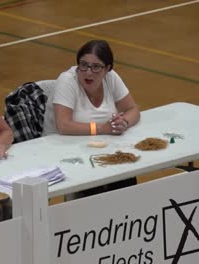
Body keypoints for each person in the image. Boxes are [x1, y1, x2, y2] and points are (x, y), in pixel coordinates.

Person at [43, 39, 141, 196]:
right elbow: (64, 125)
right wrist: (103, 128)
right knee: (95, 184)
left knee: (126, 174)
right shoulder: (67, 81)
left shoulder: (111, 78)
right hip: (62, 150)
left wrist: (124, 122)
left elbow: (133, 109)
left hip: (97, 148)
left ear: (107, 68)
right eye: (83, 65)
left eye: (96, 67)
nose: (88, 72)